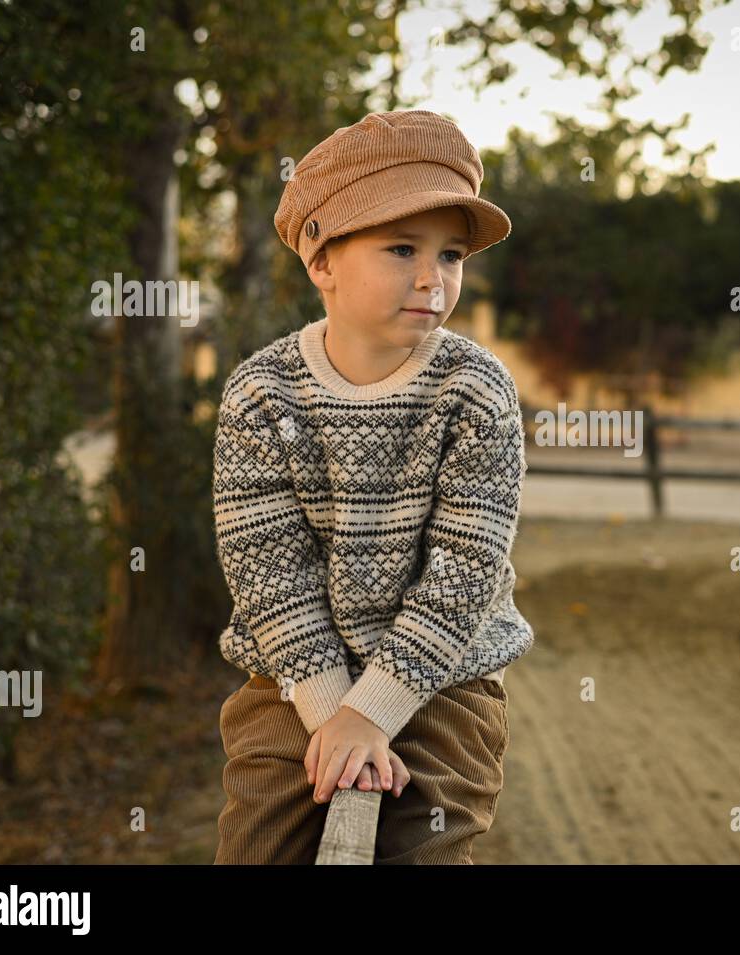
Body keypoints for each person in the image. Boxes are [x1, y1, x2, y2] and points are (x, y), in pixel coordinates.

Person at [212, 110, 534, 864]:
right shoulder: (262, 394)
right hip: (293, 677)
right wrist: (335, 715)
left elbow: (465, 572)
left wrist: (378, 709)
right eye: (401, 248)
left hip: (444, 678)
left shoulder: (476, 389)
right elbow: (269, 573)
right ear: (322, 261)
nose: (434, 277)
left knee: (423, 846)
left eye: (451, 254)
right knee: (256, 848)